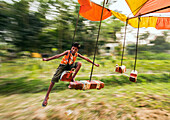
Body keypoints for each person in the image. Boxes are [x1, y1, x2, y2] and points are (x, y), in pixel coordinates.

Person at [42, 42, 99, 106]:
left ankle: (72, 78)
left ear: (77, 50)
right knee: (54, 79)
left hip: (70, 66)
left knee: (79, 63)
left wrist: (94, 64)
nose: (74, 50)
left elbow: (86, 59)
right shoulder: (67, 52)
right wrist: (47, 59)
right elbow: (57, 56)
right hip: (63, 66)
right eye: (73, 48)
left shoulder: (77, 54)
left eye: (76, 49)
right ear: (71, 48)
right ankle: (46, 96)